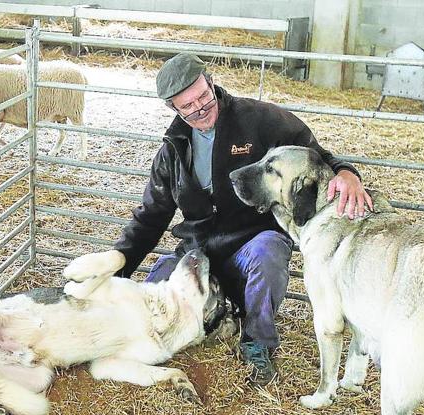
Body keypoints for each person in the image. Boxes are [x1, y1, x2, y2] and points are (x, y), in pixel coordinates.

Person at [112, 53, 372, 386]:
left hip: (251, 242)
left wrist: (346, 172)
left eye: (202, 97)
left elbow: (316, 157)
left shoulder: (261, 120)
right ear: (174, 109)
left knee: (270, 249)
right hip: (200, 250)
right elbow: (152, 214)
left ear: (211, 81)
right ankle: (159, 340)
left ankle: (257, 343)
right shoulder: (173, 148)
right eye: (187, 106)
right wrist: (115, 270)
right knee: (154, 285)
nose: (199, 109)